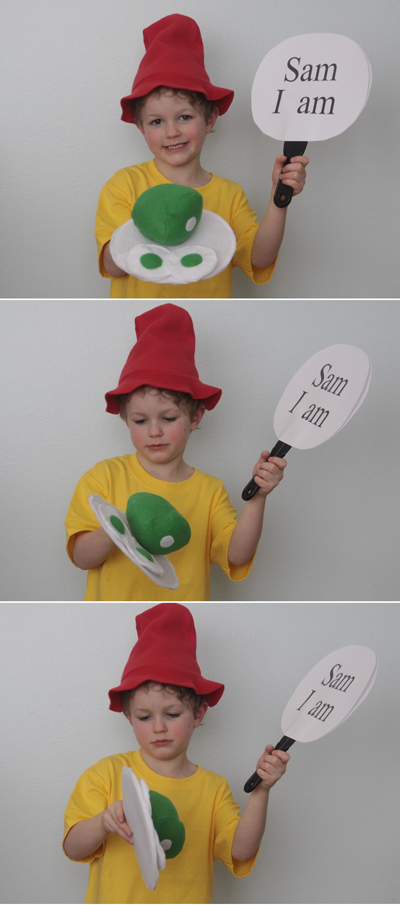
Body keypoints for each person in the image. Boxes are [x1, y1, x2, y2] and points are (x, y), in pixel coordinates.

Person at [63, 604, 290, 903]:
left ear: (198, 714)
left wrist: (261, 791)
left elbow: (240, 850)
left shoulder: (213, 789)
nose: (158, 727)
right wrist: (104, 822)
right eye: (144, 717)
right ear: (129, 718)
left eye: (171, 713)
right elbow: (72, 848)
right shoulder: (105, 774)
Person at [65, 304, 286, 601]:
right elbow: (81, 558)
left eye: (168, 418)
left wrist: (259, 496)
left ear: (195, 418)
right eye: (140, 421)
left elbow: (236, 553)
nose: (154, 431)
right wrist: (118, 531)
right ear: (125, 419)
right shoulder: (103, 478)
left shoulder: (210, 491)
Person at [95, 14, 308, 299]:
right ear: (141, 128)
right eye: (157, 122)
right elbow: (114, 264)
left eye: (184, 117)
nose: (172, 132)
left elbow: (259, 258)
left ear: (209, 120)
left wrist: (278, 199)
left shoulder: (230, 195)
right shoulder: (124, 185)